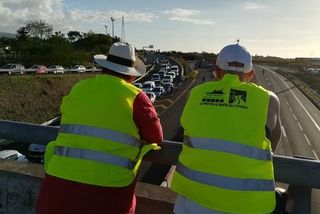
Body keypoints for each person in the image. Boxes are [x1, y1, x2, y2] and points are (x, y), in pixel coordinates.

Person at [36, 42, 163, 214]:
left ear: (104, 67)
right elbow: (156, 137)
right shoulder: (135, 97)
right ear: (131, 76)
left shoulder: (79, 88)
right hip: (108, 194)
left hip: (57, 188)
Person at [171, 43, 281, 214]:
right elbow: (272, 145)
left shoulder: (195, 94)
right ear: (251, 74)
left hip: (192, 201)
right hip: (247, 205)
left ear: (217, 71)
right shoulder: (269, 100)